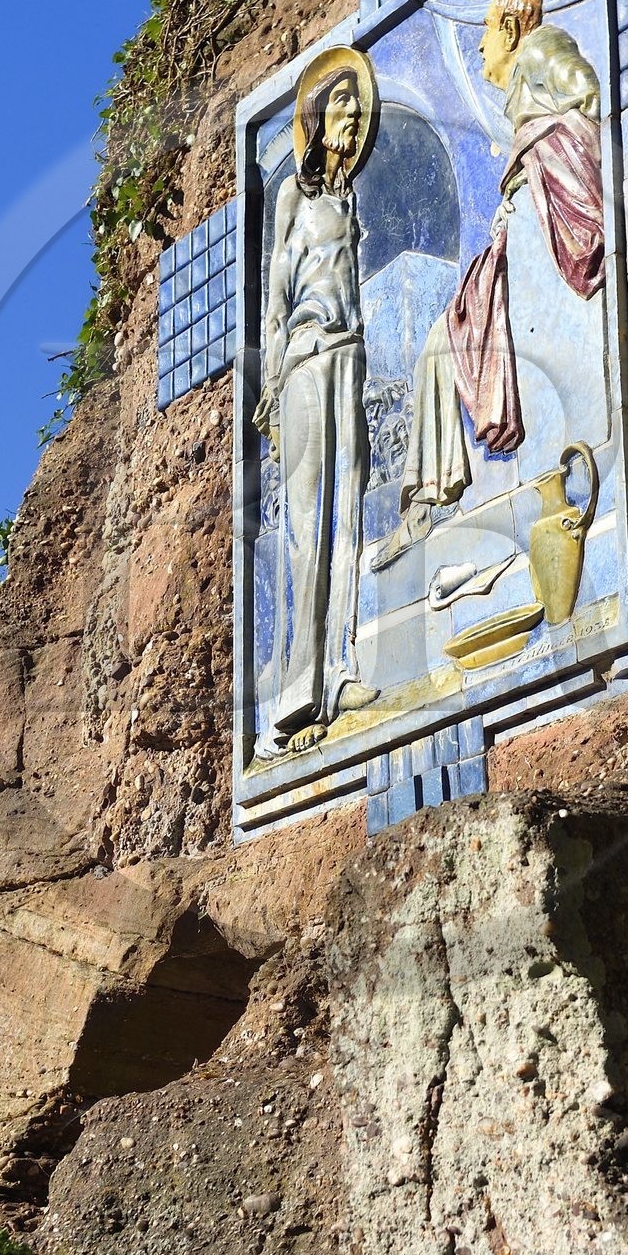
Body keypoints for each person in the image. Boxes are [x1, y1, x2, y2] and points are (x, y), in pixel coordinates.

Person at [369, 0, 604, 568]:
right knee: (439, 342)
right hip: (524, 218)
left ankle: (432, 495)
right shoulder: (527, 78)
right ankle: (431, 494)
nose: (479, 50)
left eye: (485, 36)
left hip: (547, 212)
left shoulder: (542, 49)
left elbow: (587, 100)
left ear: (510, 29)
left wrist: (543, 165)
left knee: (442, 342)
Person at [254, 50, 381, 752]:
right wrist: (272, 387)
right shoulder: (293, 200)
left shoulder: (350, 198)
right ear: (315, 116)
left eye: (357, 103)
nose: (353, 114)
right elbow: (275, 301)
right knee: (307, 521)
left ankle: (342, 671)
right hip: (305, 358)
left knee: (349, 505)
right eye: (340, 103)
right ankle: (297, 689)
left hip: (348, 354)